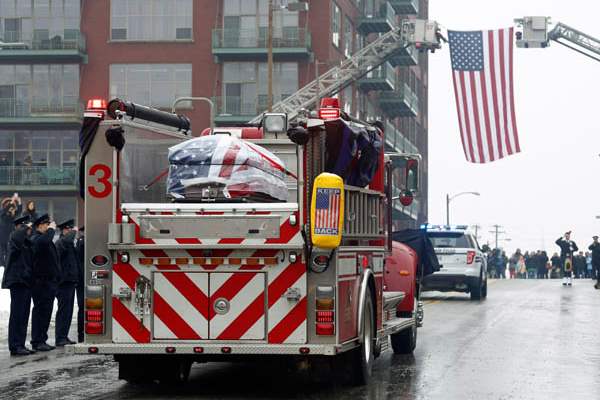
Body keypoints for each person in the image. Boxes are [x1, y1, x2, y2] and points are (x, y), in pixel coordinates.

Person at [1, 215, 34, 355]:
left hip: (25, 281)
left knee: (24, 314)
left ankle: (20, 344)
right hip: (17, 281)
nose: (28, 230)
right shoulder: (14, 237)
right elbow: (18, 237)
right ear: (19, 226)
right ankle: (15, 345)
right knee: (17, 314)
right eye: (25, 227)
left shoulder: (26, 242)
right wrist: (26, 226)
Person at [30, 214, 59, 351]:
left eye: (49, 225)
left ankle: (42, 338)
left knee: (46, 312)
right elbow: (45, 241)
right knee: (41, 311)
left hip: (48, 282)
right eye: (46, 225)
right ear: (39, 226)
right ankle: (37, 340)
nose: (48, 227)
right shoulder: (37, 238)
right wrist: (51, 230)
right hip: (41, 282)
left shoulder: (44, 239)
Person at [55, 219, 78, 346]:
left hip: (70, 281)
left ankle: (64, 335)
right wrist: (73, 233)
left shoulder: (68, 243)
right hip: (63, 283)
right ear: (64, 230)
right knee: (63, 310)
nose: (71, 231)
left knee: (68, 311)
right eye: (68, 229)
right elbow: (67, 240)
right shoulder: (61, 242)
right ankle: (60, 337)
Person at [0, 194, 22, 266]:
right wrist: (12, 201)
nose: (9, 207)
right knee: (2, 252)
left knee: (9, 251)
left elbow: (19, 211)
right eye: (7, 204)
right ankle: (2, 265)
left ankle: (8, 264)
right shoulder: (2, 213)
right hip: (2, 235)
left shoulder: (13, 214)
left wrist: (19, 202)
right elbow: (5, 210)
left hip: (10, 235)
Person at [75, 226, 85, 343]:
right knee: (82, 307)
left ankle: (81, 333)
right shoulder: (81, 242)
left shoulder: (80, 241)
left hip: (82, 278)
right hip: (82, 278)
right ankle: (81, 333)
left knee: (82, 307)